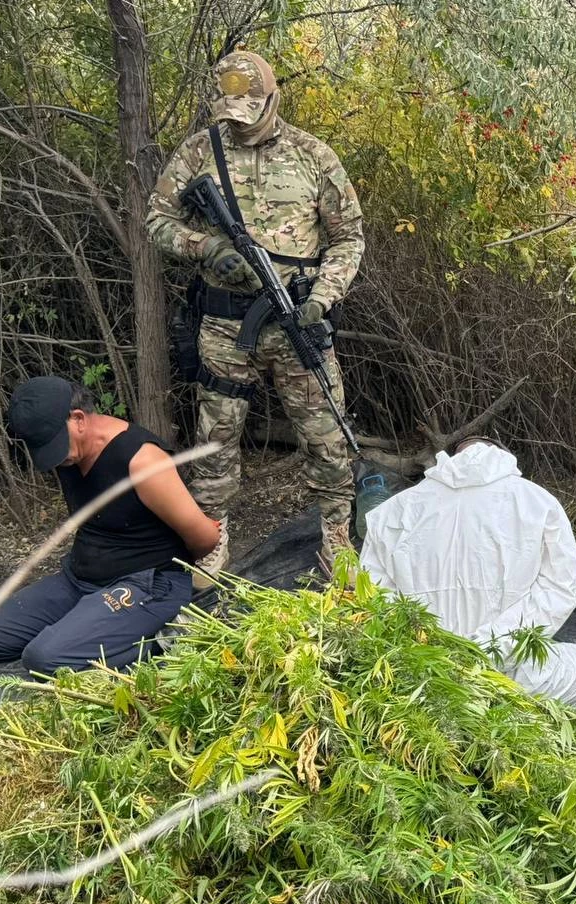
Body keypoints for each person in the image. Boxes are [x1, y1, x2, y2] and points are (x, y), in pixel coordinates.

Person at [145, 49, 364, 573]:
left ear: (273, 99)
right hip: (224, 323)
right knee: (215, 436)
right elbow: (157, 220)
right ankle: (212, 533)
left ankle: (336, 531)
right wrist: (208, 249)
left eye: (250, 109)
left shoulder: (314, 155)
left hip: (297, 322)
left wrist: (321, 298)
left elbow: (350, 237)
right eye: (230, 110)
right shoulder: (200, 151)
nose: (239, 123)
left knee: (327, 434)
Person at [0, 377, 221, 675]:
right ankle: (85, 628)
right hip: (80, 579)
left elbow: (205, 537)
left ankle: (164, 637)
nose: (55, 457)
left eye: (56, 444)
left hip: (146, 583)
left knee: (44, 660)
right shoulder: (70, 458)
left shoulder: (141, 461)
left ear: (78, 419)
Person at [359, 438, 576, 706]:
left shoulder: (393, 511)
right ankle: (501, 700)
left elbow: (376, 598)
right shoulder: (538, 502)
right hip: (514, 674)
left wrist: (432, 653)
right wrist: (489, 647)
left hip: (426, 676)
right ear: (502, 454)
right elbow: (558, 589)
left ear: (451, 456)